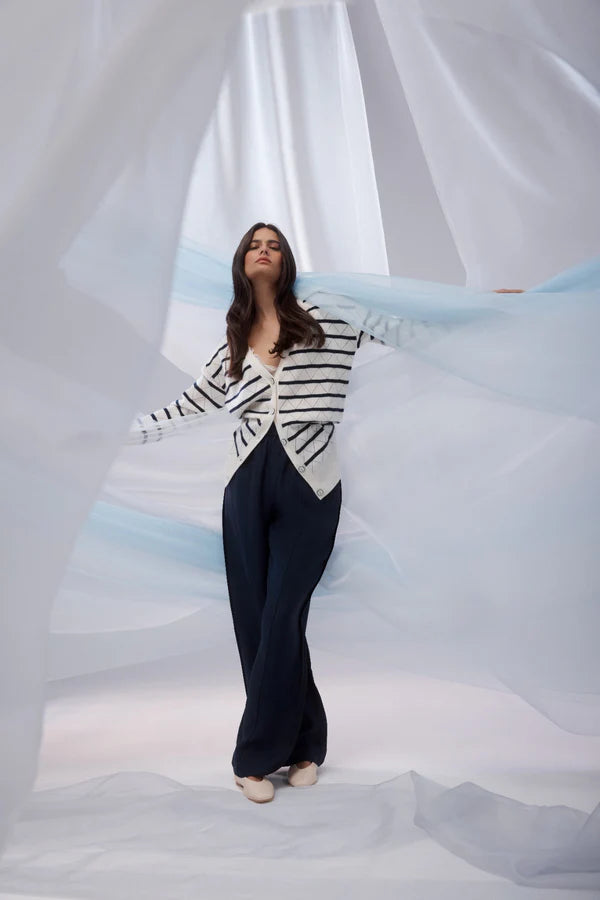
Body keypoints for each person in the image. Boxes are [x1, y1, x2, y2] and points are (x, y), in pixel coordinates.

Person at [129, 221, 523, 804]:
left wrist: (485, 308)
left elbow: (408, 328)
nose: (264, 251)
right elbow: (186, 406)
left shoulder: (327, 315)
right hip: (244, 485)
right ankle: (306, 746)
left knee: (283, 613)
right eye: (254, 245)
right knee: (256, 618)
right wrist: (105, 436)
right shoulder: (234, 339)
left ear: (287, 260)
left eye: (274, 245)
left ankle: (253, 758)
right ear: (241, 263)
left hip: (311, 482)